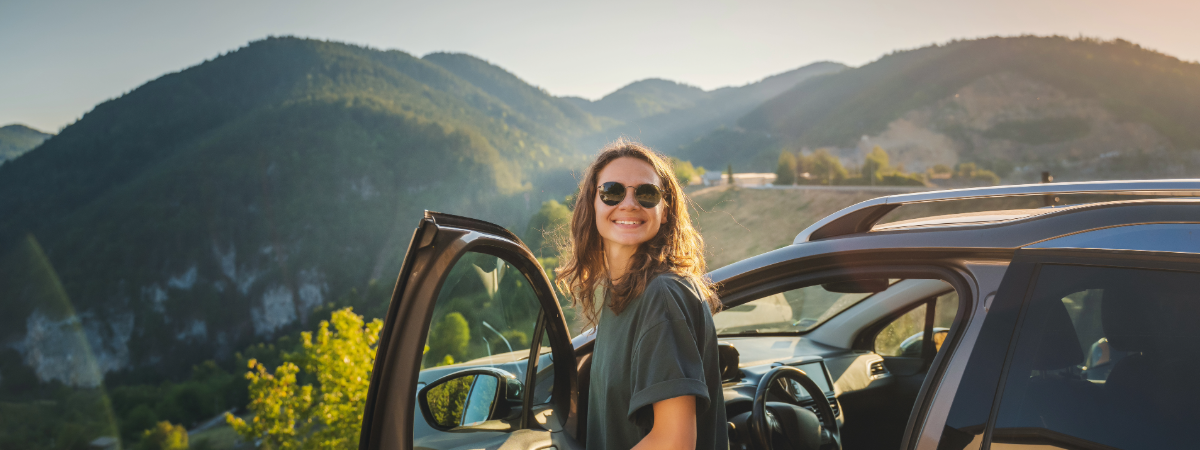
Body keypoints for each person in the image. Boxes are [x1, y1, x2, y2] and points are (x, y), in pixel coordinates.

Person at [555, 139, 727, 450]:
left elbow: (673, 441)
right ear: (592, 205)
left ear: (664, 212)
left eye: (647, 194)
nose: (630, 204)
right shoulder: (619, 295)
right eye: (612, 192)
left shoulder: (662, 296)